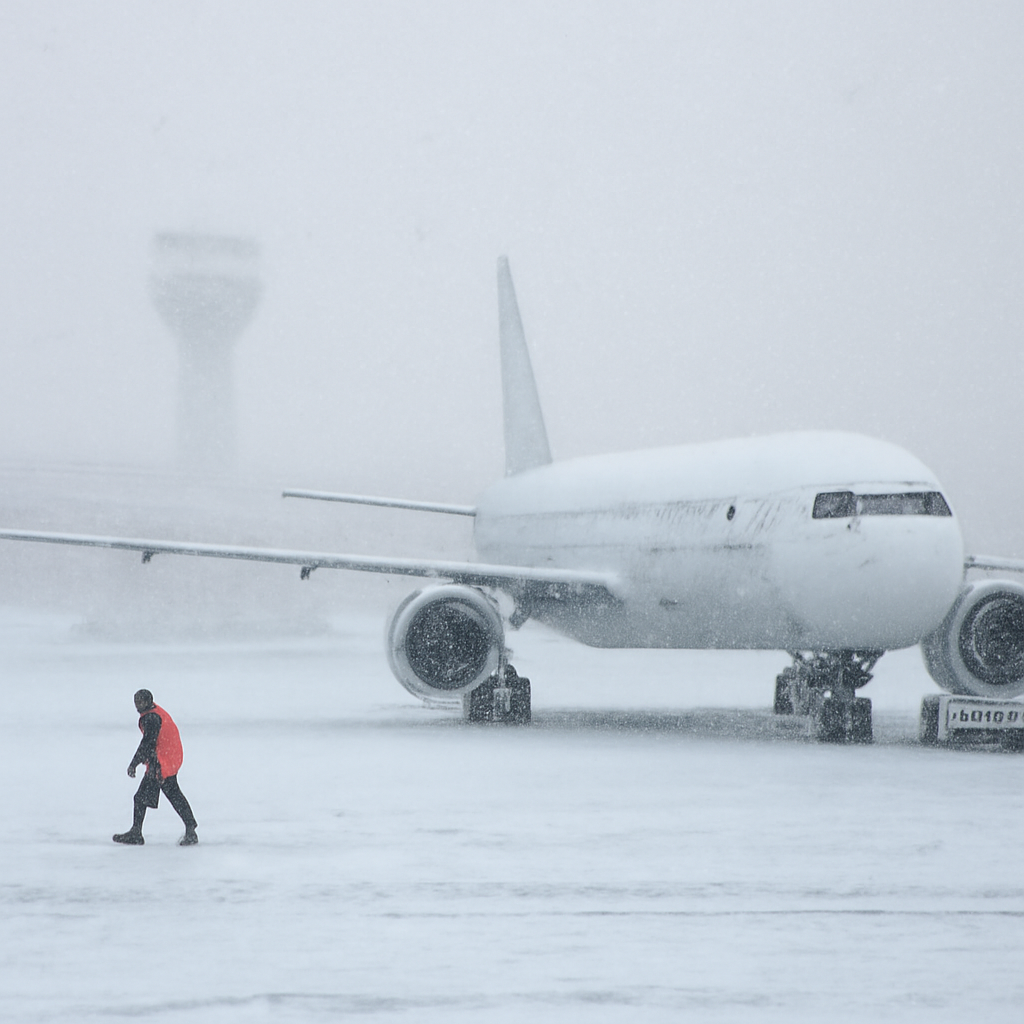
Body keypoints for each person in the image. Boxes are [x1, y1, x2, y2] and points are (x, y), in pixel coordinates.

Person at [113, 689, 198, 846]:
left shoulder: (151, 718)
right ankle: (190, 829)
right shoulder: (154, 712)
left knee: (141, 798)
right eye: (136, 702)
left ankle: (136, 833)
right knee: (173, 795)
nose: (138, 706)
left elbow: (147, 743)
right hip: (170, 758)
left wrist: (134, 764)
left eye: (141, 702)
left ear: (148, 701)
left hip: (162, 762)